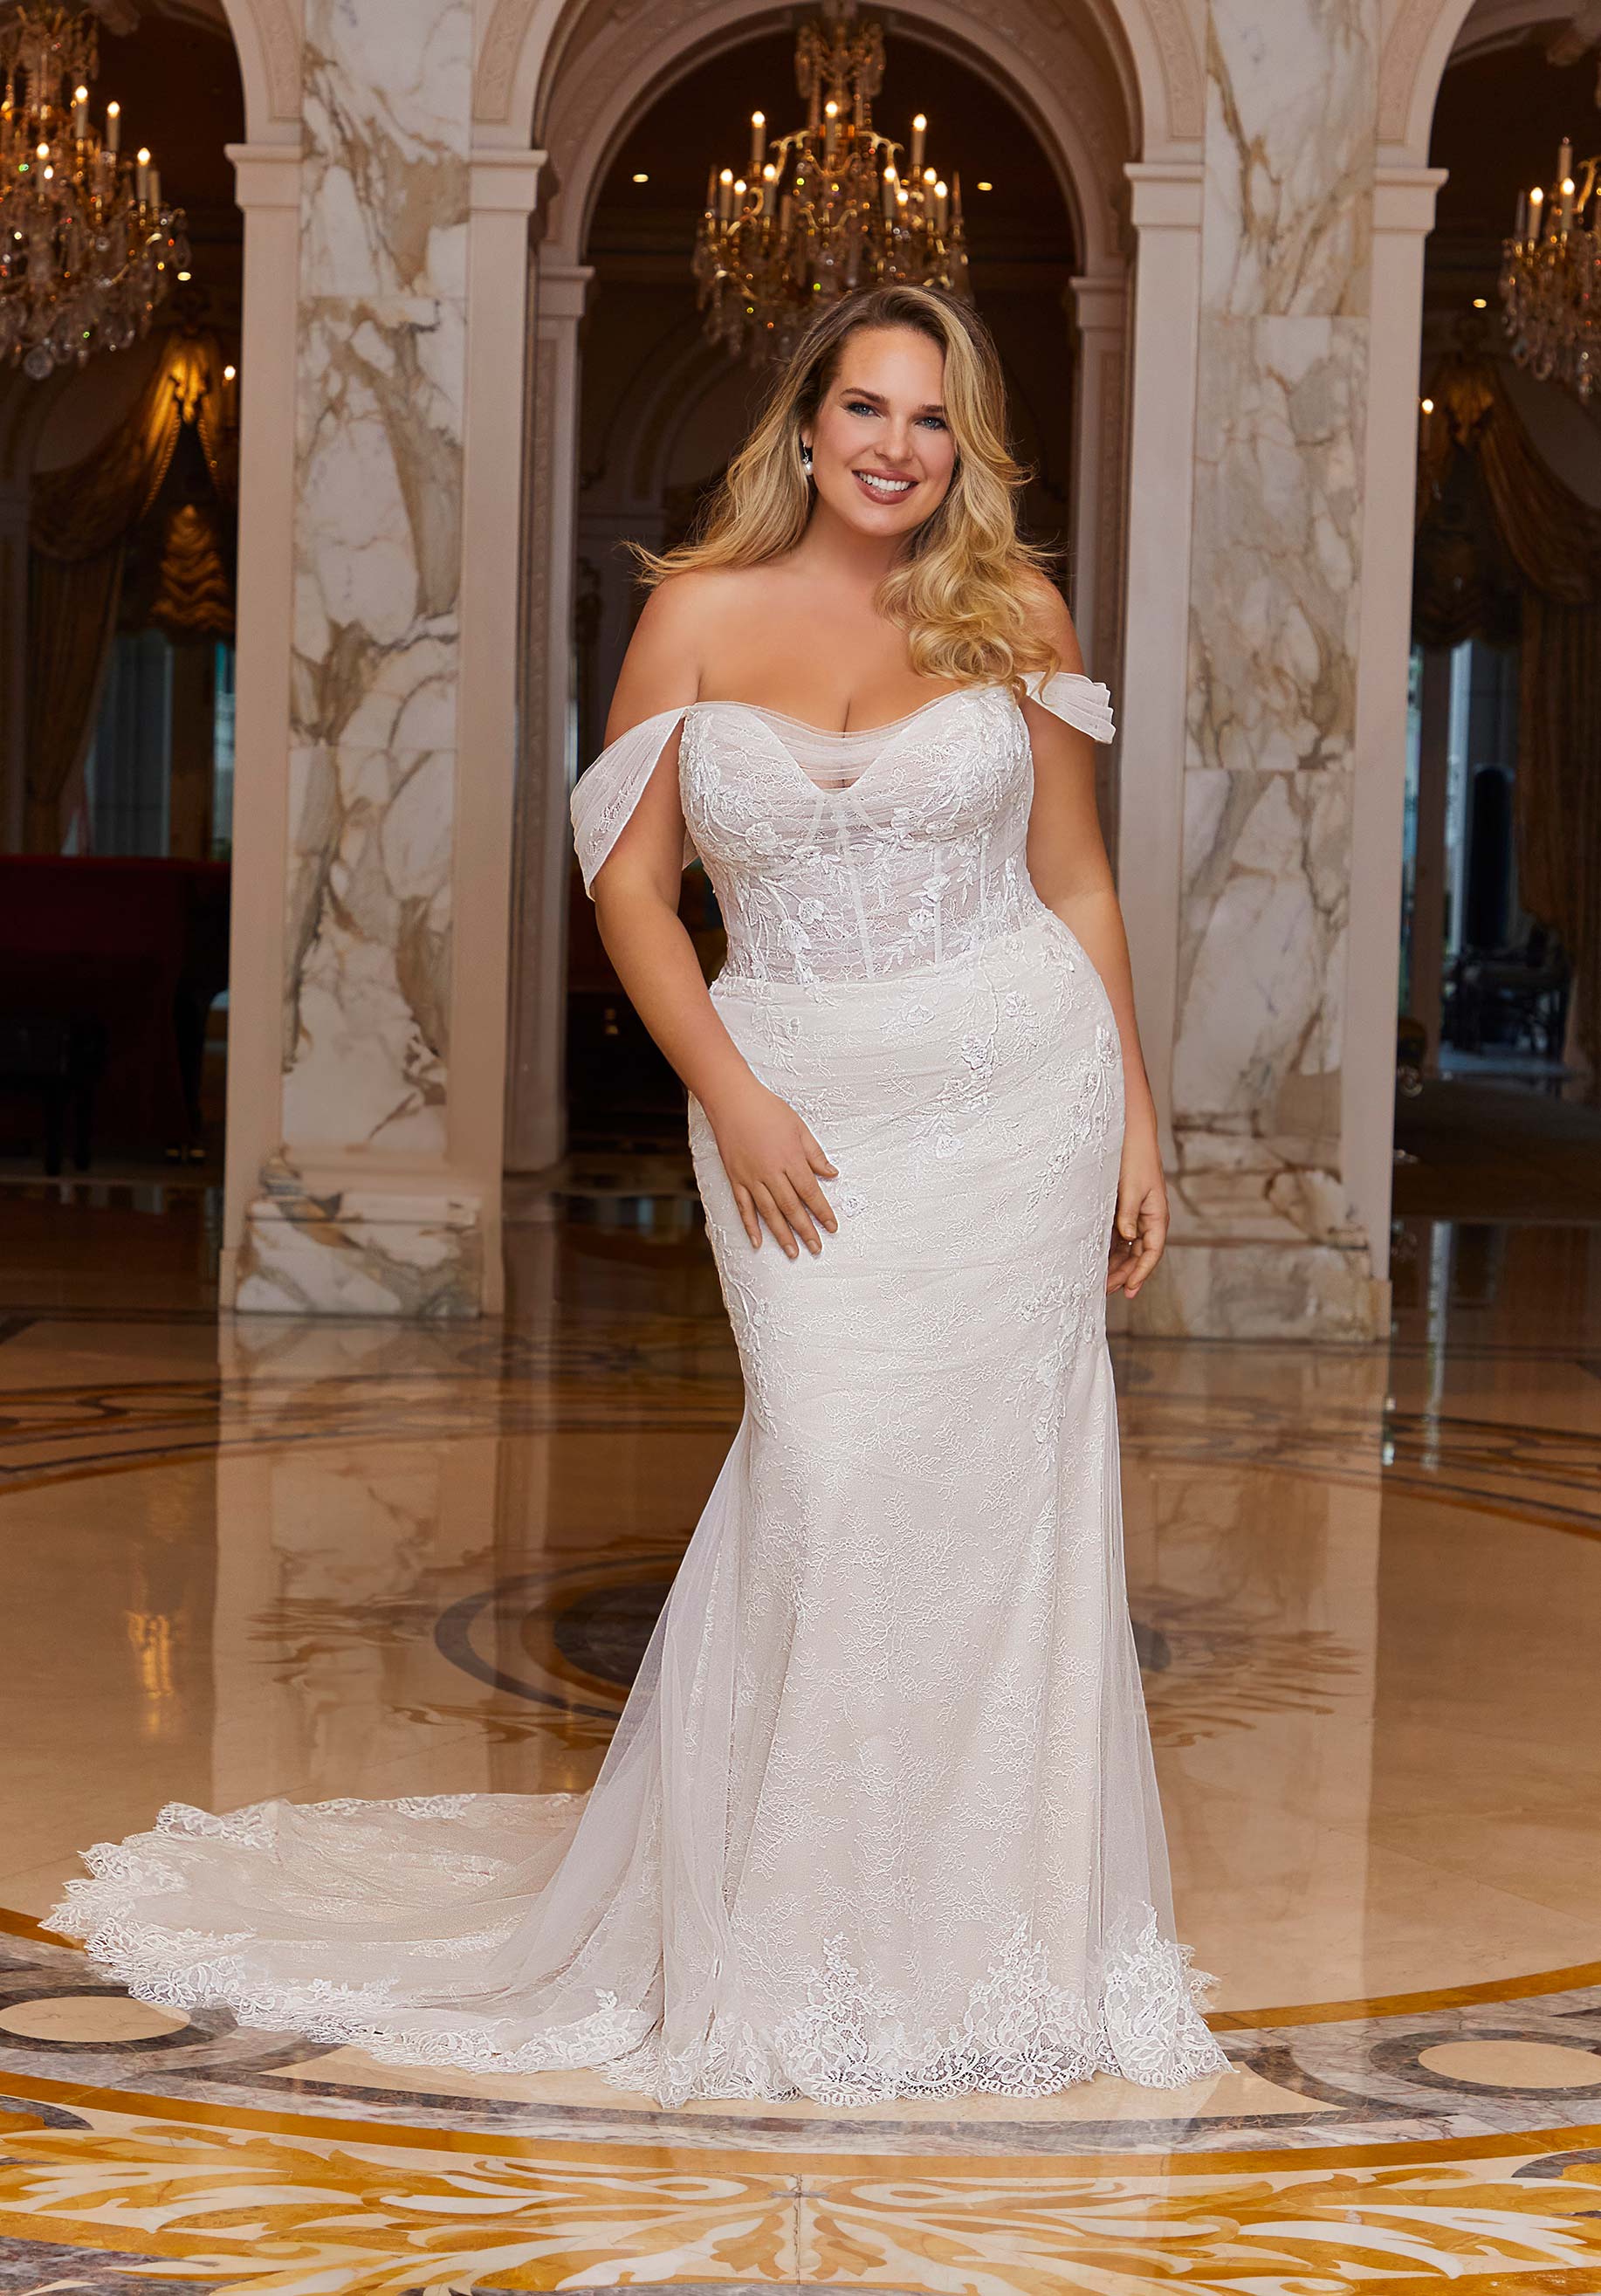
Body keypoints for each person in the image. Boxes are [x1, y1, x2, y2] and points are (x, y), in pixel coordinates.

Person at [52, 284, 1227, 2108]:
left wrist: (1136, 1113)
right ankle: (785, 1917)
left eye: (930, 418)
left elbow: (1073, 879)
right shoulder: (692, 610)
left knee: (994, 1509)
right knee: (827, 1477)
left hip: (1017, 1097)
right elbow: (627, 888)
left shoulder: (1016, 614)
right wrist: (732, 1092)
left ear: (964, 445)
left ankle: (969, 1933)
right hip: (791, 1100)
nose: (895, 447)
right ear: (805, 420)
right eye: (865, 407)